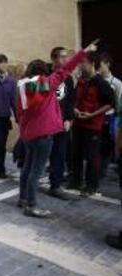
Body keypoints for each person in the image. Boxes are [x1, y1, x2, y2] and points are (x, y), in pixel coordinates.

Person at [17, 41, 98, 218]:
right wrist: (83, 52)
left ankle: (23, 198)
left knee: (28, 168)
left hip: (28, 135)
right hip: (43, 135)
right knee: (36, 171)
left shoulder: (23, 88)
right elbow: (65, 70)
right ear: (43, 73)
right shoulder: (46, 85)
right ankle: (31, 205)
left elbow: (19, 115)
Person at [69, 52, 113, 197]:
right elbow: (75, 99)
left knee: (92, 157)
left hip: (93, 126)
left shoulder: (101, 83)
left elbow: (109, 104)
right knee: (75, 154)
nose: (81, 65)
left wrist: (92, 115)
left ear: (92, 64)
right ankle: (75, 181)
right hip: (78, 124)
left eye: (84, 62)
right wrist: (75, 108)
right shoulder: (81, 80)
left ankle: (91, 186)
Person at [47, 47, 76, 200]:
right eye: (62, 57)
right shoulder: (45, 75)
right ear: (53, 58)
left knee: (59, 154)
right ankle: (27, 185)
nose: (66, 60)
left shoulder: (68, 78)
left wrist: (69, 119)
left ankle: (56, 185)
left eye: (67, 57)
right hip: (46, 122)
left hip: (61, 122)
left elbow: (71, 101)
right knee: (39, 153)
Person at [98, 53, 122, 177]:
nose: (98, 67)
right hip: (95, 116)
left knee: (108, 143)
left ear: (107, 64)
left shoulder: (116, 83)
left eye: (100, 65)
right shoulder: (96, 80)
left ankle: (105, 168)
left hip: (109, 116)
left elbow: (118, 103)